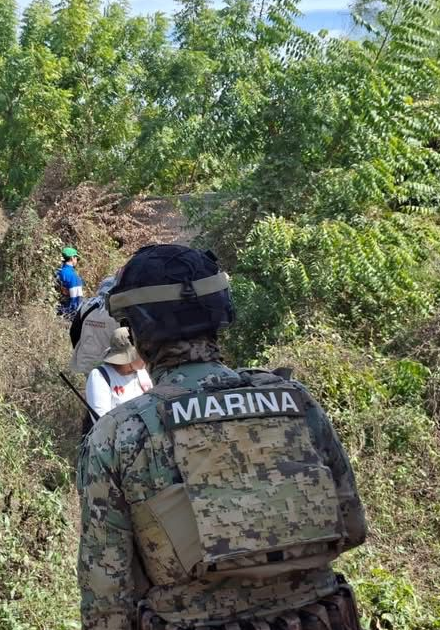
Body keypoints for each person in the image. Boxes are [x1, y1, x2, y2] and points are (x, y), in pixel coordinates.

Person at [78, 244, 366, 630]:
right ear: (220, 315)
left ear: (137, 330)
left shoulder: (118, 435)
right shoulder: (293, 401)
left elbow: (107, 604)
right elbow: (352, 527)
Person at [85, 327, 153, 421]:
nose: (147, 356)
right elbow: (102, 422)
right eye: (143, 352)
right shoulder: (100, 376)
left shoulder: (142, 373)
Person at [56, 246, 85, 319]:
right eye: (76, 258)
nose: (77, 260)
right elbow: (76, 297)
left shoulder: (58, 272)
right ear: (72, 258)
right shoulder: (72, 275)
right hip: (70, 313)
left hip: (58, 310)